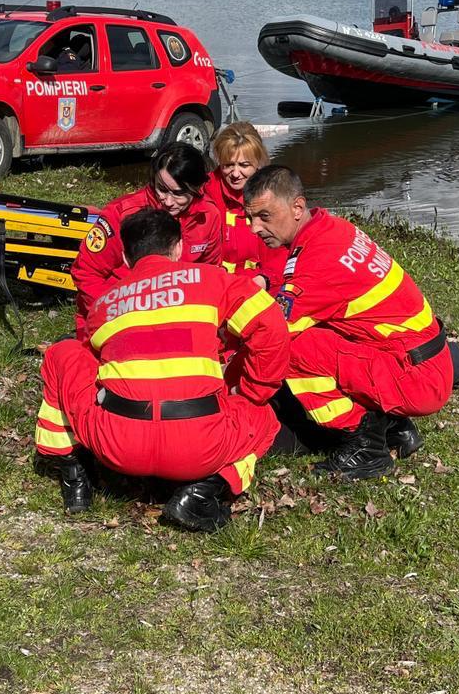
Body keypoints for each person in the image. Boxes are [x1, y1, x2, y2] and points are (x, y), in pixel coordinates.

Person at [35, 209, 291, 531]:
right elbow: (270, 324)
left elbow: (94, 362)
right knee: (262, 415)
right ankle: (204, 491)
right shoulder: (212, 280)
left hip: (118, 446)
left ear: (126, 257)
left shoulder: (104, 304)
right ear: (179, 247)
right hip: (200, 445)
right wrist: (254, 390)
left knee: (63, 353)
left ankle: (74, 476)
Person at [242, 165, 459, 479]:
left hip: (417, 377)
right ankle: (396, 428)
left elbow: (270, 331)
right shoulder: (331, 228)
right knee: (322, 331)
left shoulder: (317, 261)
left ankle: (363, 445)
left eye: (264, 216)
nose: (254, 228)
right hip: (423, 357)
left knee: (293, 348)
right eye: (250, 218)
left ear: (297, 207)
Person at [70, 142, 223, 327]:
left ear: (197, 188)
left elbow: (209, 272)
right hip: (117, 314)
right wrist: (113, 314)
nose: (168, 201)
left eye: (178, 193)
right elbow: (86, 272)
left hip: (175, 315)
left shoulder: (208, 216)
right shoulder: (123, 214)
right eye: (162, 189)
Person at [207, 122, 277, 275]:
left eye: (244, 165)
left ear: (258, 162)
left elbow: (282, 249)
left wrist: (267, 278)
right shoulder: (205, 192)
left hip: (263, 280)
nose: (235, 174)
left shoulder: (274, 192)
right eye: (228, 165)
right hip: (220, 281)